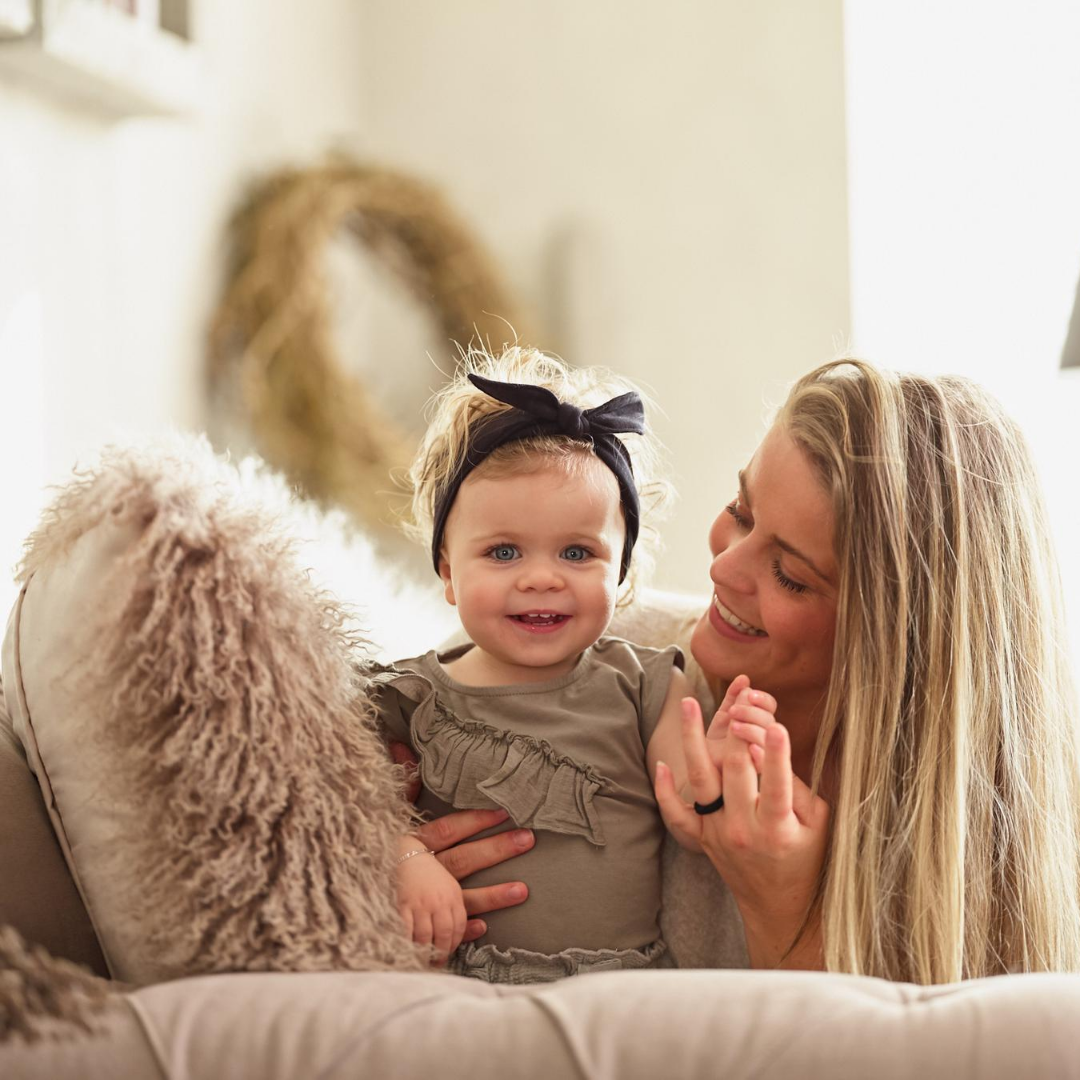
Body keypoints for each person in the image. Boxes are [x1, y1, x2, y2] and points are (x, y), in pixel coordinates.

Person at [425, 357, 1080, 984]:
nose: (722, 569)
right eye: (741, 511)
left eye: (791, 577)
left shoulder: (995, 846)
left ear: (897, 641)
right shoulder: (569, 644)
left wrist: (782, 914)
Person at [367, 345, 718, 983]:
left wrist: (727, 767)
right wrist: (406, 854)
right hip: (463, 978)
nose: (540, 580)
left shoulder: (646, 683)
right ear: (448, 570)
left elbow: (695, 819)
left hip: (622, 981)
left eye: (578, 553)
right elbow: (341, 810)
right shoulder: (409, 696)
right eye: (503, 552)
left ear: (622, 572)